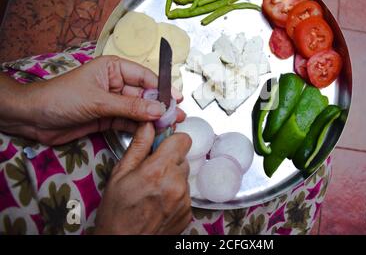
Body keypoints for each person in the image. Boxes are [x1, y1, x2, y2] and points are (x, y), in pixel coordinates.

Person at [0, 41, 331, 235]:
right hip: (92, 218)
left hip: (44, 109)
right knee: (288, 197)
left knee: (313, 168)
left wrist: (24, 105)